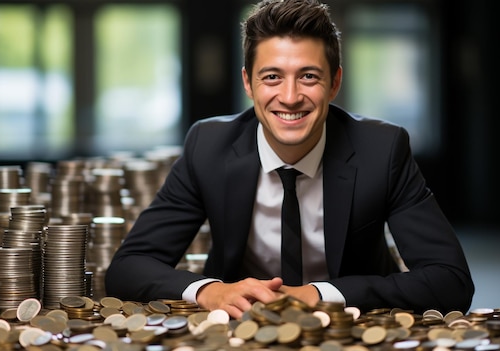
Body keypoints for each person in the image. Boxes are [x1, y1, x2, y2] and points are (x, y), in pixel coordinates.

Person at [105, 0, 474, 319]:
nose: (291, 96)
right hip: (238, 329)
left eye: (309, 76)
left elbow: (451, 280)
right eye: (272, 77)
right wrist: (210, 291)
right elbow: (127, 268)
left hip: (355, 327)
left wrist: (319, 294)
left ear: (334, 83)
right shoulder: (209, 145)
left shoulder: (382, 148)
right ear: (248, 83)